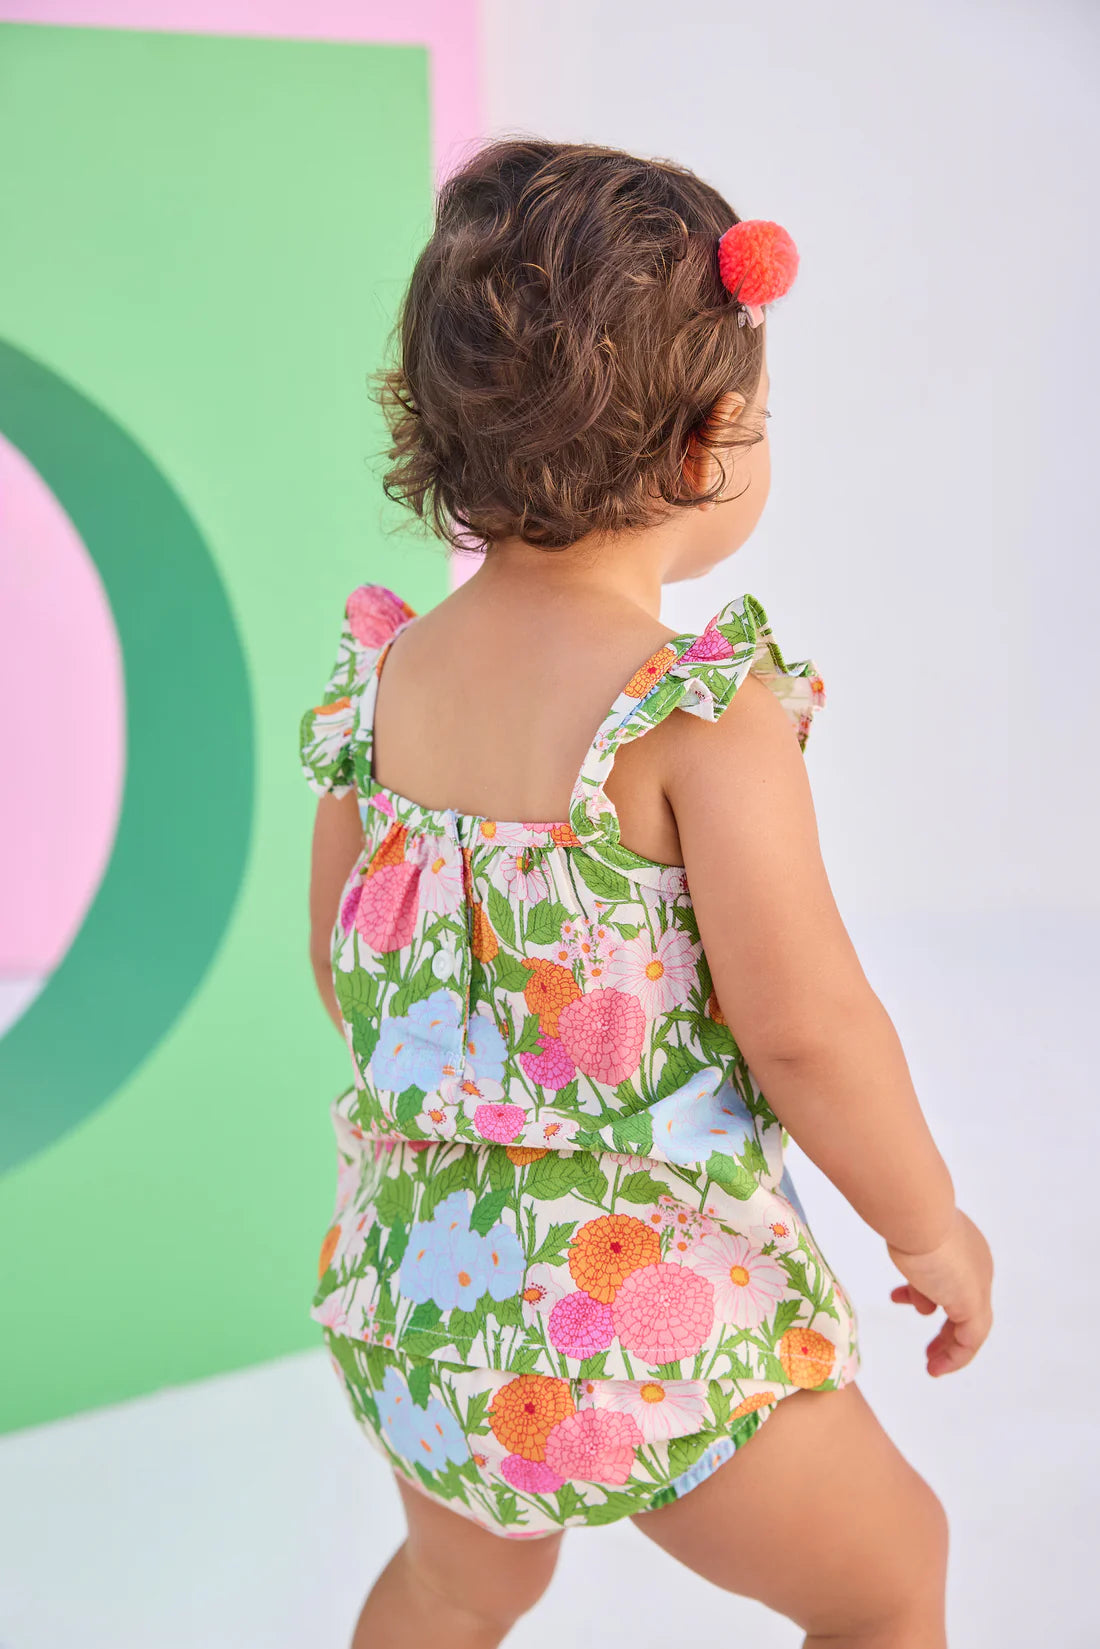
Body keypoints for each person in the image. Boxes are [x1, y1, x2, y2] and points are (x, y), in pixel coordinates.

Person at [299, 139, 992, 1649]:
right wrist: (926, 1221)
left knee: (461, 1581)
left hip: (417, 1299)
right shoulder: (690, 711)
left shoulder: (388, 679)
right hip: (635, 1319)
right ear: (710, 442)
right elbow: (805, 1029)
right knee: (889, 1578)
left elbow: (348, 968)